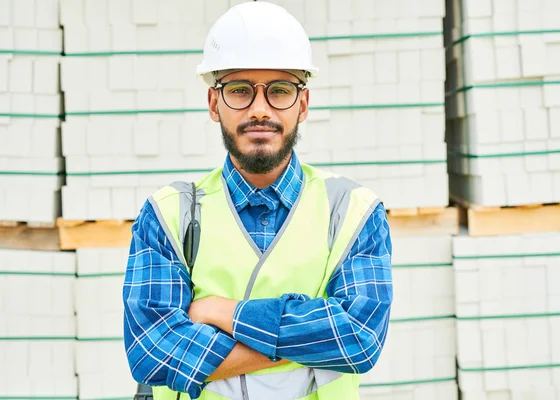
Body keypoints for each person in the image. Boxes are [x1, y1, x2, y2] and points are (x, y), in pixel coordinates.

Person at [122, 2, 393, 399]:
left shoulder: (352, 210)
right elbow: (151, 354)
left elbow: (360, 338)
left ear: (303, 104)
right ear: (215, 104)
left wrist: (222, 312)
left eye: (280, 91)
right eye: (239, 91)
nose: (260, 109)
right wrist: (309, 340)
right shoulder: (168, 214)